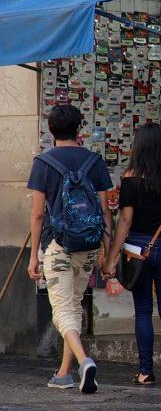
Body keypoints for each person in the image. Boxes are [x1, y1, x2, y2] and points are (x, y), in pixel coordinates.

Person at [27, 104, 113, 393]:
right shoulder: (94, 161)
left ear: (51, 130)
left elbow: (38, 214)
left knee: (61, 310)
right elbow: (105, 211)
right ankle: (64, 373)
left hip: (58, 246)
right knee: (73, 305)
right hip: (88, 246)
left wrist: (33, 257)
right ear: (79, 129)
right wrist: (107, 250)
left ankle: (84, 361)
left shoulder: (43, 162)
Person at [103, 123, 161, 386]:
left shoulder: (131, 178)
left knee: (143, 311)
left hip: (137, 250)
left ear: (139, 146)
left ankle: (145, 372)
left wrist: (111, 257)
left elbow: (125, 221)